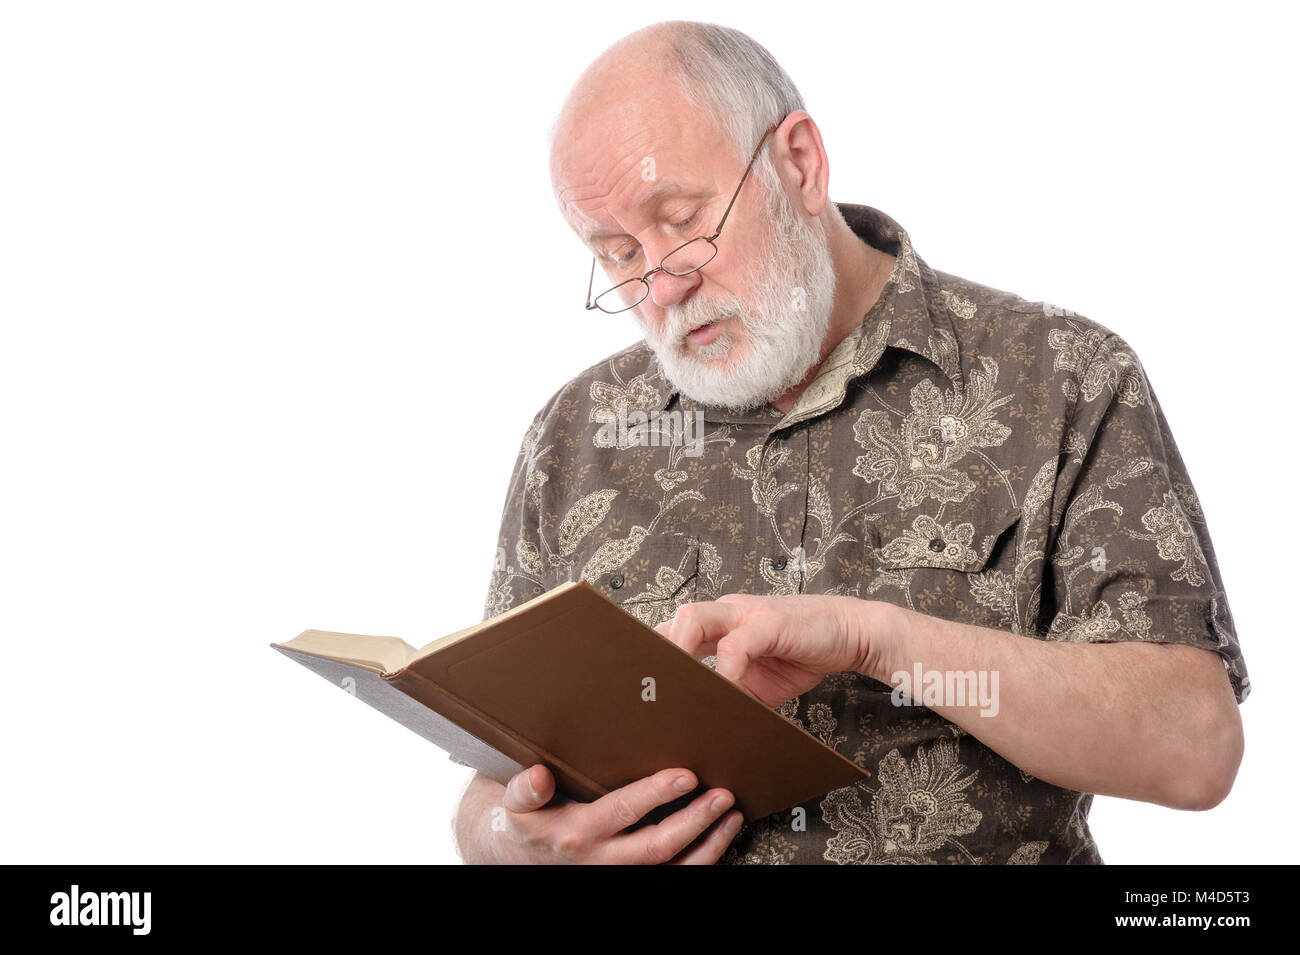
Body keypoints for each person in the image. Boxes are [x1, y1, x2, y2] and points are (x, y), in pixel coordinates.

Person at [452, 20, 1247, 864]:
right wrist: (509, 841)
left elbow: (1194, 749)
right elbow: (495, 773)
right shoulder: (575, 434)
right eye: (618, 254)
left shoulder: (1065, 376)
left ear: (799, 163)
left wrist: (880, 641)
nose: (663, 286)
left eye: (682, 221)